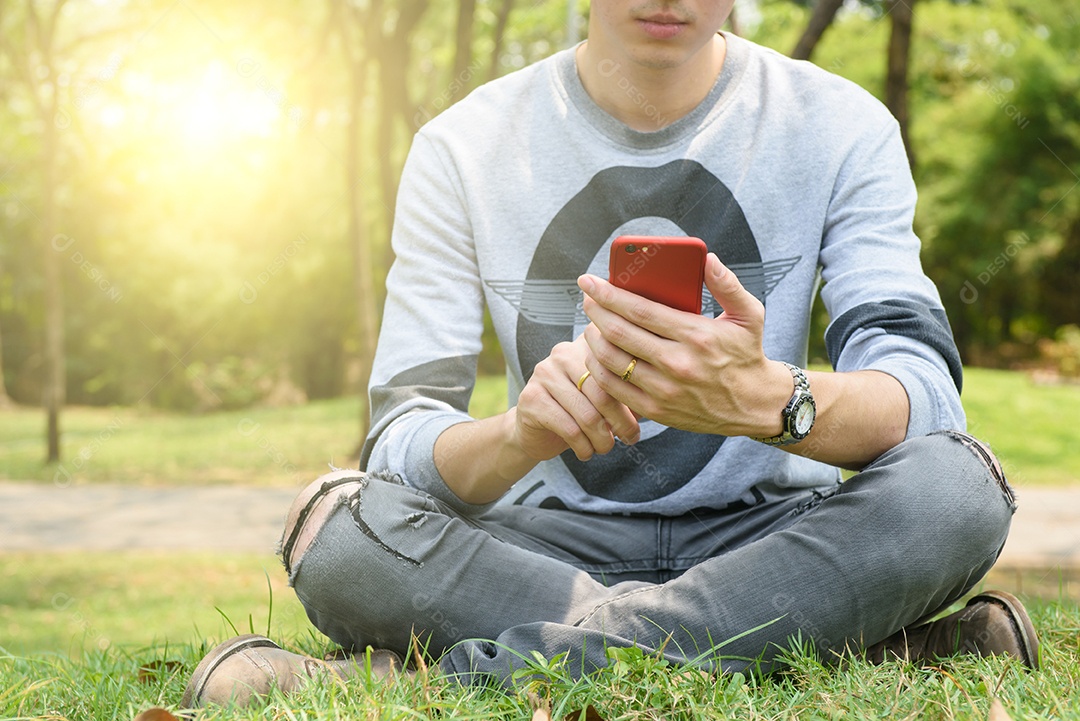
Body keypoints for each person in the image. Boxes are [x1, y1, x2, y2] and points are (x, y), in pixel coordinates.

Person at [182, 0, 1038, 708]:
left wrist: (773, 400)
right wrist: (519, 434)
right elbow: (401, 441)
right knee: (332, 524)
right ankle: (849, 649)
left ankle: (449, 682)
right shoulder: (459, 146)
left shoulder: (846, 126)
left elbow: (925, 397)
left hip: (776, 538)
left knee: (959, 487)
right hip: (536, 551)